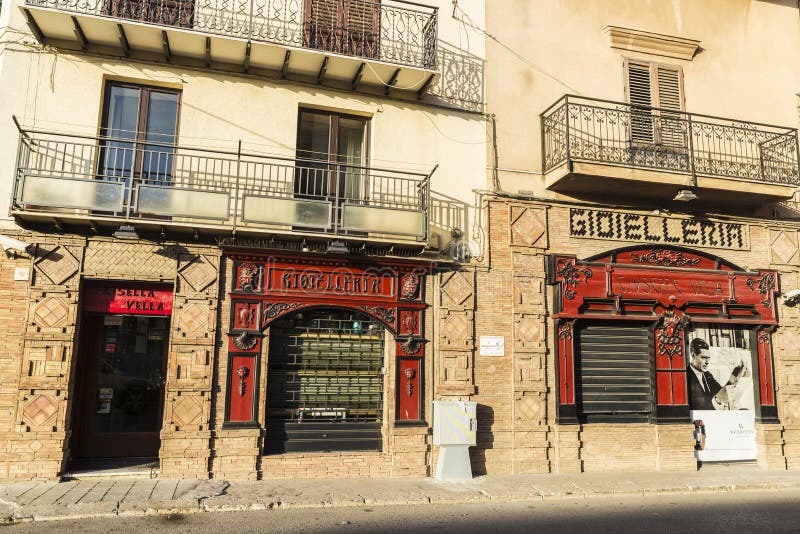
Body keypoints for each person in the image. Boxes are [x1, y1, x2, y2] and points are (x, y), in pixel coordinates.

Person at [687, 338, 745, 410]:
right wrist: (717, 400)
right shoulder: (686, 376)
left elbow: (721, 392)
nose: (707, 362)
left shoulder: (707, 375)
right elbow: (696, 406)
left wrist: (736, 373)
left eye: (708, 358)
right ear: (693, 355)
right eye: (704, 358)